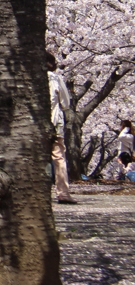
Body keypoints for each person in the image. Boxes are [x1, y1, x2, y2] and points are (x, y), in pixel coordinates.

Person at [48, 55, 77, 204]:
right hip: (54, 124)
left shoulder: (27, 78)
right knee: (58, 158)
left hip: (31, 125)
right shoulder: (55, 78)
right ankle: (63, 193)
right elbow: (65, 103)